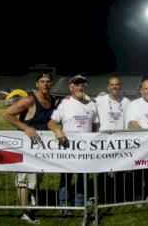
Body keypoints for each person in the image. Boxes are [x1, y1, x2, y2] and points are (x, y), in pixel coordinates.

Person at [3, 72, 55, 224]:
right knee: (24, 181)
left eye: (48, 81)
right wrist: (26, 128)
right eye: (42, 81)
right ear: (37, 84)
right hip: (26, 148)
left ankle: (30, 201)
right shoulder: (30, 99)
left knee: (36, 179)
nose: (45, 84)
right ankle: (25, 212)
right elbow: (7, 114)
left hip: (39, 147)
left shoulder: (51, 99)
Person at [48, 74, 98, 217]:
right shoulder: (64, 103)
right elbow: (51, 122)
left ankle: (80, 205)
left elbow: (95, 125)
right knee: (65, 178)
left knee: (83, 177)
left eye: (82, 85)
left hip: (86, 149)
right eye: (77, 84)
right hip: (68, 148)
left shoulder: (91, 104)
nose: (80, 87)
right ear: (71, 87)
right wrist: (58, 130)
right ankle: (64, 206)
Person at [95, 76, 130, 202]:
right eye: (112, 84)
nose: (114, 87)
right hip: (103, 141)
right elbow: (85, 100)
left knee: (119, 172)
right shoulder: (99, 100)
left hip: (120, 141)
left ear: (120, 86)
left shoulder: (126, 101)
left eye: (117, 84)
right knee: (102, 171)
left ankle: (117, 196)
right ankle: (102, 196)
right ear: (108, 87)